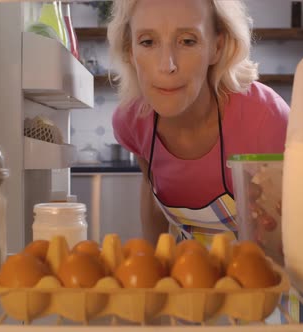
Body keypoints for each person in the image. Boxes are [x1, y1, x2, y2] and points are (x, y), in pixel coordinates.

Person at [109, 0, 289, 247]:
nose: (167, 66)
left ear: (217, 46)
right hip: (191, 277)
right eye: (148, 42)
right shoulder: (131, 121)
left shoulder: (265, 118)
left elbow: (287, 232)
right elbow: (151, 195)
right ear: (130, 50)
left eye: (187, 41)